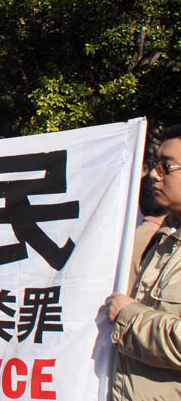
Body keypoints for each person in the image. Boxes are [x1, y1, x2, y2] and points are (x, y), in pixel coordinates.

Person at [106, 124, 181, 398]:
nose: (153, 175)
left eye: (166, 167)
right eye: (154, 165)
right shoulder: (163, 238)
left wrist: (128, 316)